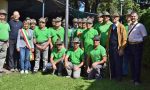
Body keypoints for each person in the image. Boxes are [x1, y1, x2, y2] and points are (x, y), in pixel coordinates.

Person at [128, 11, 147, 85]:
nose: (133, 17)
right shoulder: (130, 25)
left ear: (137, 17)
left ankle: (137, 80)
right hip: (130, 46)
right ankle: (133, 78)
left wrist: (140, 44)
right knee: (132, 63)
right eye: (132, 16)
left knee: (137, 63)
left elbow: (145, 36)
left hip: (137, 46)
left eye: (134, 16)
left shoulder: (140, 26)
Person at [107, 12, 127, 81]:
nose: (114, 18)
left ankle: (119, 78)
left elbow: (124, 39)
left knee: (118, 63)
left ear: (118, 18)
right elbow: (108, 38)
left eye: (116, 17)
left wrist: (121, 49)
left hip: (118, 48)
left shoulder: (122, 26)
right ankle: (113, 76)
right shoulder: (111, 26)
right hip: (111, 47)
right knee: (112, 62)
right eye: (113, 17)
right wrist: (107, 48)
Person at [0, 9, 10, 74]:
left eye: (3, 14)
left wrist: (8, 41)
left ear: (5, 16)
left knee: (3, 56)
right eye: (1, 14)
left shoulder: (7, 24)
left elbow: (8, 33)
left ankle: (0, 69)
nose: (2, 15)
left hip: (5, 42)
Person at [122, 10, 132, 76]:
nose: (128, 17)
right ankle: (125, 73)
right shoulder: (123, 25)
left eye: (129, 15)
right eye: (127, 16)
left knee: (133, 59)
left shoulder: (135, 24)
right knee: (125, 59)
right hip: (125, 44)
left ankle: (133, 72)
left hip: (133, 43)